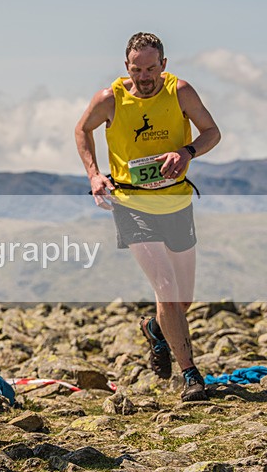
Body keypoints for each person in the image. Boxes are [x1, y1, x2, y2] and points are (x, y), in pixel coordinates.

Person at [75, 32, 221, 402]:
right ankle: (191, 375)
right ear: (127, 67)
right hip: (132, 204)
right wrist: (94, 174)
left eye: (151, 68)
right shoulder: (110, 99)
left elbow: (212, 133)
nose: (144, 76)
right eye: (137, 69)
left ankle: (155, 329)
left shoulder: (180, 92)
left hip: (176, 203)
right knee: (166, 288)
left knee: (182, 301)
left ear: (164, 65)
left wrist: (186, 152)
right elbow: (82, 130)